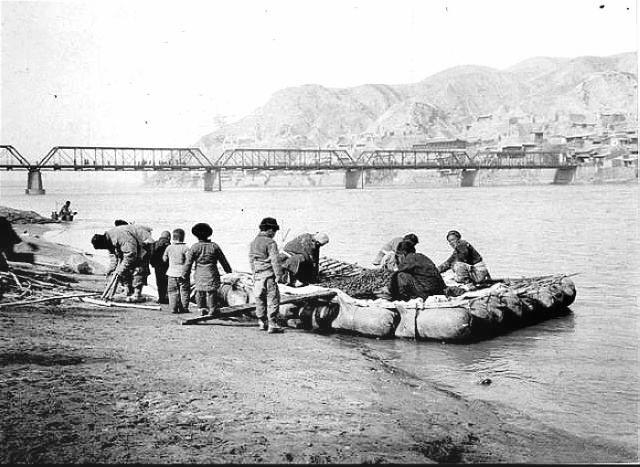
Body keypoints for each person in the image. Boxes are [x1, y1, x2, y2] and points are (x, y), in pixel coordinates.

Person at [91, 223, 154, 302]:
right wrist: (111, 269)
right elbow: (114, 257)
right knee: (122, 269)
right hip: (131, 247)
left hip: (144, 244)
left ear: (104, 242)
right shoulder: (108, 240)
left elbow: (130, 254)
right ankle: (127, 291)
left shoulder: (121, 237)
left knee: (138, 266)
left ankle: (137, 294)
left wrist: (120, 270)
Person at [182, 223, 232, 317]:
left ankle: (201, 308)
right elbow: (223, 260)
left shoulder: (195, 247)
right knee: (211, 292)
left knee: (199, 292)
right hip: (212, 272)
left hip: (199, 273)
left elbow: (188, 263)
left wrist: (184, 274)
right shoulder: (214, 246)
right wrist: (228, 270)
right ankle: (212, 309)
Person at [249, 217, 284, 333]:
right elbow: (275, 260)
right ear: (270, 230)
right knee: (272, 299)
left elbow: (251, 260)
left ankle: (261, 322)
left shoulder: (253, 242)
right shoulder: (270, 242)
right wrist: (279, 275)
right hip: (269, 275)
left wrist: (254, 273)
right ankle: (272, 324)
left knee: (259, 299)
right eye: (274, 231)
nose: (274, 234)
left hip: (258, 276)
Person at [163, 228, 190, 314]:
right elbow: (189, 261)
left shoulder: (169, 247)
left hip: (171, 272)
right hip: (183, 273)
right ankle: (184, 308)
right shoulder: (186, 248)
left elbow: (164, 259)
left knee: (172, 291)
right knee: (184, 291)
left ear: (173, 237)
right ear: (183, 237)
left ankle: (173, 308)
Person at [150, 231, 171, 304]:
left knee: (159, 282)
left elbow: (151, 254)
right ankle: (166, 298)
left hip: (157, 266)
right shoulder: (169, 245)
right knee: (167, 282)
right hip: (166, 266)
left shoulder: (155, 244)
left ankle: (161, 298)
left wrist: (153, 264)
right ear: (169, 237)